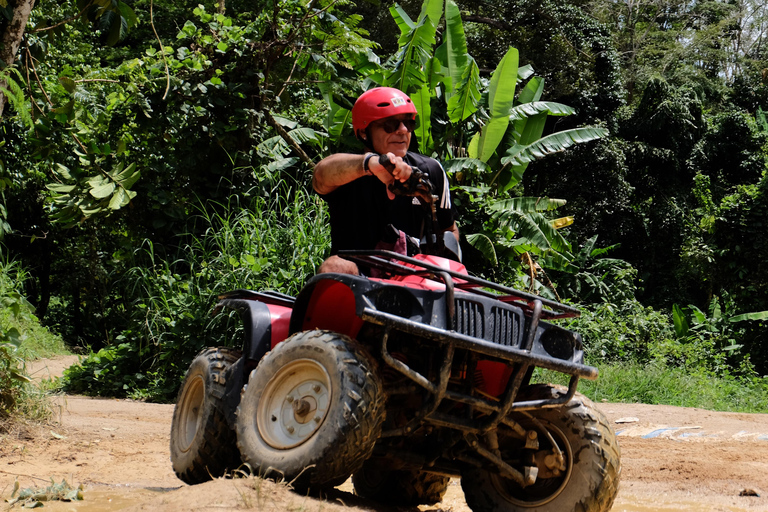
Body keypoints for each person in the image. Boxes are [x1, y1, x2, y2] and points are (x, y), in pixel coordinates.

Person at [313, 86, 459, 275]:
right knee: (336, 266)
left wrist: (437, 262)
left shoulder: (430, 170)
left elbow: (449, 230)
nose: (403, 130)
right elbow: (320, 176)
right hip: (359, 282)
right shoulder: (348, 172)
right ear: (364, 132)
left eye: (408, 123)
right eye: (390, 124)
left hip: (417, 277)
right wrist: (373, 164)